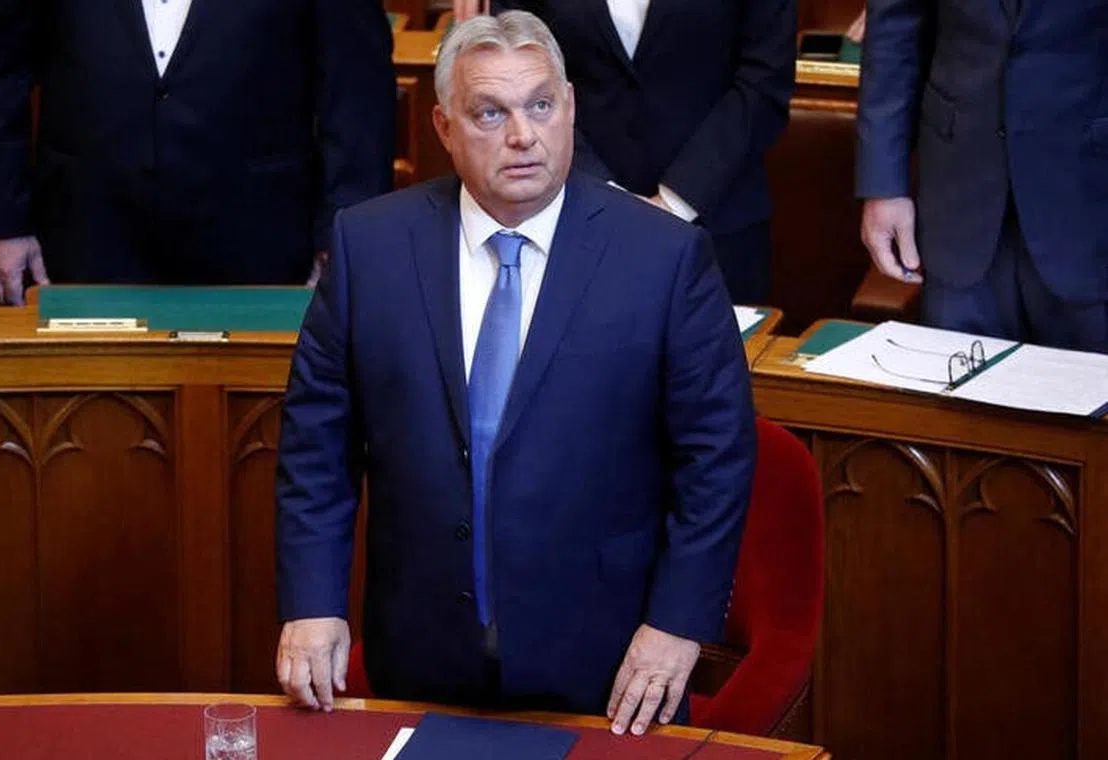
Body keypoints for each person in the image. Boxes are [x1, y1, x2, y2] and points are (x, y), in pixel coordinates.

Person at [274, 11, 756, 736]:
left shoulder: (664, 257)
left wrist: (677, 624)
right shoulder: (370, 245)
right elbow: (316, 445)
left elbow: (716, 459)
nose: (522, 135)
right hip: (421, 651)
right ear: (442, 126)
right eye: (490, 113)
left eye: (539, 105)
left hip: (609, 663)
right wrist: (313, 603)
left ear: (569, 108)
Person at [0, 0, 395, 304]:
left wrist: (346, 236)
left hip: (260, 243)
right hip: (84, 238)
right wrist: (0, 223)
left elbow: (357, 86)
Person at [453, 0, 796, 306]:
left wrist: (673, 203)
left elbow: (763, 82)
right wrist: (610, 198)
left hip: (717, 218)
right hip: (573, 216)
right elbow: (514, 75)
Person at [857, 0, 1108, 353]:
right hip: (958, 198)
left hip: (1089, 198)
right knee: (956, 394)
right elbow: (894, 29)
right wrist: (884, 184)